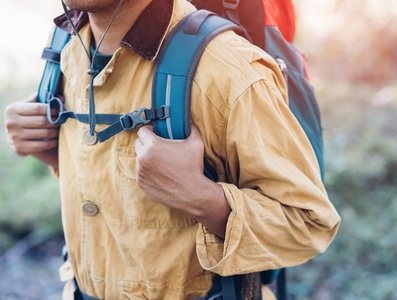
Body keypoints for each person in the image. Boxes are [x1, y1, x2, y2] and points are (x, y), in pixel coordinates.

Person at [4, 0, 341, 299]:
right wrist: (47, 148)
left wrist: (200, 197)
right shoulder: (65, 45)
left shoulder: (225, 69)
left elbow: (308, 225)